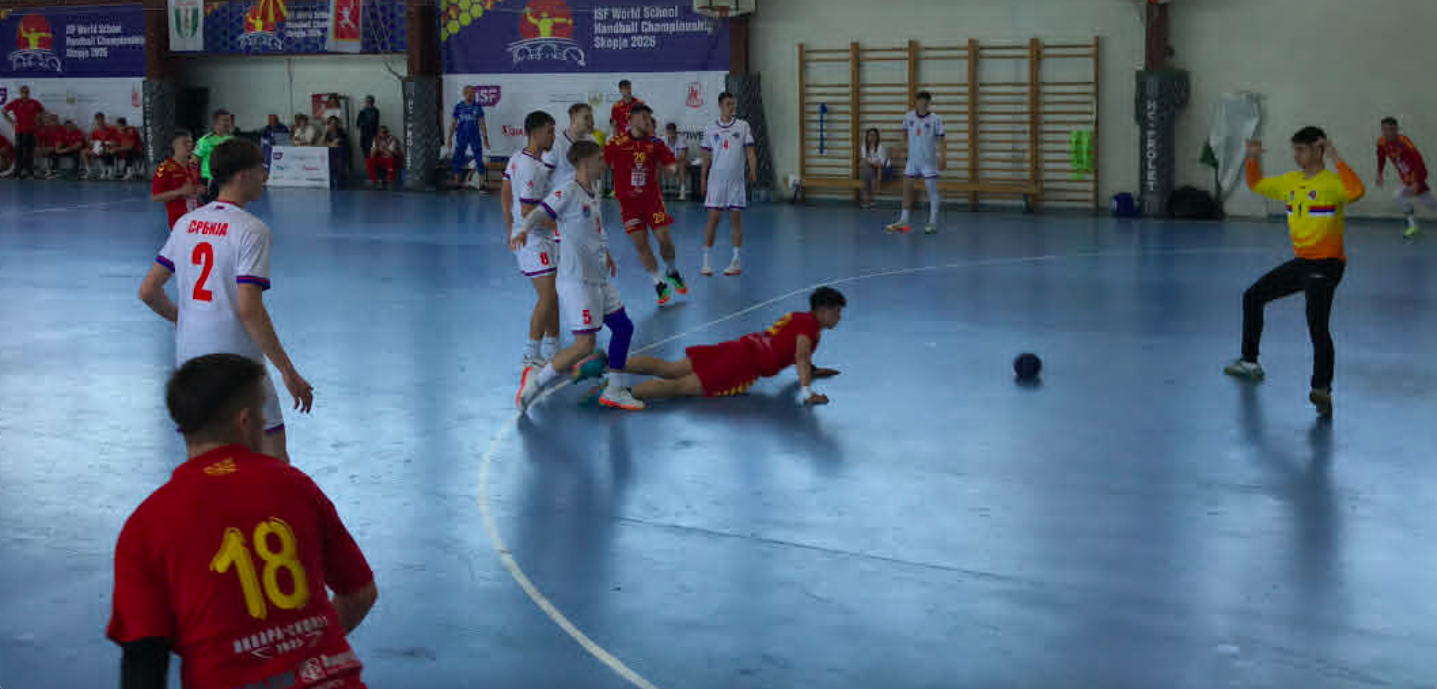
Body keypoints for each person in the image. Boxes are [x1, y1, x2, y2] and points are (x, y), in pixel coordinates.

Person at [107, 353, 376, 689]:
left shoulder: (146, 525)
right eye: (262, 411)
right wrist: (301, 650)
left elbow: (143, 663)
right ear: (245, 421)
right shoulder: (295, 486)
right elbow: (360, 593)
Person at [138, 138, 315, 463]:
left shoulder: (186, 224)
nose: (265, 176)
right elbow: (249, 309)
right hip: (238, 365)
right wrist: (288, 372)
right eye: (261, 169)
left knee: (203, 461)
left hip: (190, 361)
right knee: (272, 460)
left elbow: (148, 291)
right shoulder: (251, 230)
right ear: (242, 175)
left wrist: (184, 317)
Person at [1224, 127, 1365, 417]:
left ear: (1318, 149)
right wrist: (1252, 158)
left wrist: (1335, 156)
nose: (1296, 155)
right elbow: (1256, 184)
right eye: (1295, 150)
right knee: (1253, 296)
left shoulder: (1332, 184)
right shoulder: (1291, 182)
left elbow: (1357, 191)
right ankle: (1250, 362)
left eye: (1301, 149)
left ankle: (1321, 389)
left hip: (1327, 264)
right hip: (1303, 262)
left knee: (1317, 324)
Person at [512, 140, 644, 411]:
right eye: (599, 159)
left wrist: (606, 254)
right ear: (585, 162)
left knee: (623, 327)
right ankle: (535, 384)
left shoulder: (593, 192)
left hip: (598, 278)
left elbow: (594, 229)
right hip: (577, 281)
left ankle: (615, 390)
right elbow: (538, 213)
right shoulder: (568, 191)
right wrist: (523, 230)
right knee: (584, 345)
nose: (604, 163)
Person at [613, 287, 846, 405]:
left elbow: (795, 351)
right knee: (680, 386)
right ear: (822, 311)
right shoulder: (809, 329)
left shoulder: (800, 319)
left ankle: (606, 362)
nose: (839, 317)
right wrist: (807, 392)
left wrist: (813, 370)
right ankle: (619, 395)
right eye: (836, 312)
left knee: (670, 368)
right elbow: (801, 357)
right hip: (743, 365)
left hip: (739, 347)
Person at [605, 103, 689, 306]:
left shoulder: (656, 143)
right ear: (631, 119)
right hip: (629, 205)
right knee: (641, 244)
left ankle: (672, 271)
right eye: (643, 117)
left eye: (649, 118)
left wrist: (672, 168)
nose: (647, 121)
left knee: (665, 240)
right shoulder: (616, 143)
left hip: (652, 201)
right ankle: (658, 281)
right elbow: (601, 164)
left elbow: (670, 164)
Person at [502, 110, 561, 369]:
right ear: (535, 133)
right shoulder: (531, 167)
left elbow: (505, 194)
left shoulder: (517, 158)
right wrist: (562, 228)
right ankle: (530, 353)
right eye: (550, 131)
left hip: (533, 236)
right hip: (534, 239)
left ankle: (553, 348)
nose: (553, 136)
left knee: (552, 295)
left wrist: (509, 229)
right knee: (547, 297)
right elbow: (528, 211)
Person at [700, 92, 758, 277]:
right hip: (716, 182)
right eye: (728, 104)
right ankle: (706, 261)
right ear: (720, 106)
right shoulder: (710, 128)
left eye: (733, 104)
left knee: (736, 220)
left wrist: (753, 169)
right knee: (713, 219)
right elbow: (706, 156)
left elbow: (750, 151)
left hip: (736, 183)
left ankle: (735, 261)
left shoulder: (743, 126)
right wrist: (703, 178)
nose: (732, 107)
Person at [886, 91, 946, 234]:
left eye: (926, 102)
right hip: (913, 161)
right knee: (907, 189)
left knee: (932, 191)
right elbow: (905, 137)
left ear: (929, 103)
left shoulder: (936, 119)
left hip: (929, 161)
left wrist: (943, 157)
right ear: (917, 102)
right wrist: (898, 148)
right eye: (920, 101)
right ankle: (903, 221)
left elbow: (942, 140)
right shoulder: (908, 117)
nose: (923, 104)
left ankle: (932, 223)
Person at [1374, 116, 1435, 238]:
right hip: (1406, 179)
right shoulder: (1381, 142)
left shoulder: (1405, 142)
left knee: (1431, 204)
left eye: (1390, 129)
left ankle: (1413, 226)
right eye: (1384, 129)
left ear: (1396, 129)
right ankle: (1413, 226)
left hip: (1417, 176)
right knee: (1398, 196)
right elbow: (1381, 157)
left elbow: (1419, 163)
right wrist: (1379, 173)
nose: (1387, 133)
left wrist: (1417, 182)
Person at [151, 129, 203, 231]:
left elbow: (198, 188)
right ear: (174, 145)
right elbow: (155, 197)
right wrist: (179, 192)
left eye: (191, 142)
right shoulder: (164, 168)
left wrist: (200, 189)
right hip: (179, 222)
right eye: (185, 143)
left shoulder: (194, 165)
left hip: (197, 218)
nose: (189, 146)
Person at [545, 102, 596, 190]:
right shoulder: (556, 142)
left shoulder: (592, 140)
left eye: (592, 118)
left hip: (585, 196)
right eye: (586, 118)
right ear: (573, 118)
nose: (591, 122)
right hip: (562, 197)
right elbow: (544, 175)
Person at [447, 85, 491, 190]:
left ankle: (482, 184)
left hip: (475, 136)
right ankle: (457, 183)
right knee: (458, 158)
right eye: (468, 92)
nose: (471, 94)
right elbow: (453, 123)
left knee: (479, 158)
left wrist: (486, 139)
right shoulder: (459, 107)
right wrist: (449, 138)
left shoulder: (477, 107)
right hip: (461, 136)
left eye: (472, 92)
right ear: (464, 93)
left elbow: (482, 123)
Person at [2, 85, 44, 179]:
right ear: (20, 93)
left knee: (30, 152)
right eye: (23, 92)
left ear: (29, 93)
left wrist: (38, 121)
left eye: (27, 92)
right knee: (19, 152)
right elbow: (4, 110)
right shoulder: (16, 102)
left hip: (31, 131)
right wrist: (11, 122)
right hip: (19, 131)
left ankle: (30, 172)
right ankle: (17, 172)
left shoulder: (34, 102)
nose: (25, 94)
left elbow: (42, 111)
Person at [195, 109, 235, 200]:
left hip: (226, 179)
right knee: (210, 205)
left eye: (229, 120)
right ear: (216, 122)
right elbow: (194, 161)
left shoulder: (232, 140)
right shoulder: (205, 140)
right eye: (225, 120)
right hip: (209, 179)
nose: (228, 123)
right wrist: (198, 182)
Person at [81, 112, 118, 180]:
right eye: (97, 120)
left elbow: (114, 143)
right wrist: (91, 142)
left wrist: (103, 143)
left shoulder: (111, 129)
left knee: (105, 151)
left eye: (101, 119)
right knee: (84, 152)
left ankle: (108, 172)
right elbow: (92, 142)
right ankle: (89, 171)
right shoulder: (95, 131)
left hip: (108, 148)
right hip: (98, 149)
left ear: (104, 119)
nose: (99, 121)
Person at [858, 127, 889, 209]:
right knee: (866, 171)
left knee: (867, 172)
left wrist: (879, 179)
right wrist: (872, 163)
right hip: (871, 171)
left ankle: (868, 200)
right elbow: (864, 161)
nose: (872, 137)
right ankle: (870, 199)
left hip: (884, 170)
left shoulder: (880, 147)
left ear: (877, 137)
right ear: (867, 137)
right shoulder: (864, 147)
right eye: (870, 135)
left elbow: (881, 164)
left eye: (874, 135)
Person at [662, 122, 691, 200]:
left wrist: (673, 162)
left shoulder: (681, 139)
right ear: (666, 132)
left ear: (675, 131)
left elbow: (683, 155)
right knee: (657, 165)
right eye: (669, 131)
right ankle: (657, 191)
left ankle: (682, 191)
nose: (671, 133)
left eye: (672, 131)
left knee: (682, 164)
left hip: (679, 163)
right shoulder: (663, 140)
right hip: (668, 163)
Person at [322, 116, 350, 187]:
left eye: (335, 123)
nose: (333, 125)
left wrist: (328, 144)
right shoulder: (328, 132)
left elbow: (336, 143)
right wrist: (325, 133)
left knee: (338, 160)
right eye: (331, 123)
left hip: (341, 153)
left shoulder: (341, 131)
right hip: (330, 153)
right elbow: (321, 143)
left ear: (337, 124)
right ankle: (331, 179)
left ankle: (339, 180)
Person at [357, 95, 380, 161]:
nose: (368, 103)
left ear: (373, 102)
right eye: (367, 101)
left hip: (371, 135)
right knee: (365, 152)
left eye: (370, 101)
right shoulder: (362, 111)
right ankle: (368, 164)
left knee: (371, 152)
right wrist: (361, 124)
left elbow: (375, 124)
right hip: (363, 135)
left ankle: (370, 165)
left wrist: (376, 136)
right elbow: (358, 124)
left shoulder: (375, 111)